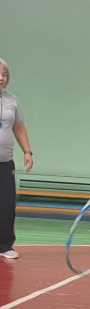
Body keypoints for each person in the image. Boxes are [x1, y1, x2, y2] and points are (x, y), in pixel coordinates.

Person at [0, 57, 33, 260]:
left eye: (4, 74)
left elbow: (18, 126)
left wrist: (27, 152)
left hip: (5, 163)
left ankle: (4, 245)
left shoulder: (11, 100)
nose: (1, 77)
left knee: (6, 204)